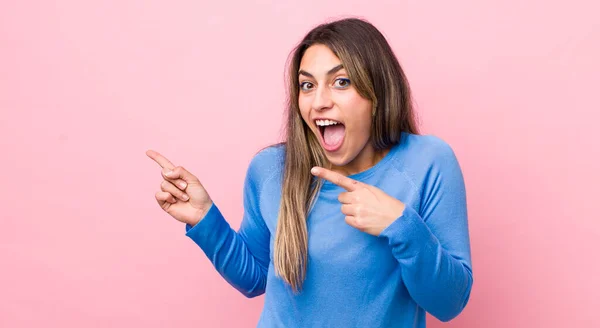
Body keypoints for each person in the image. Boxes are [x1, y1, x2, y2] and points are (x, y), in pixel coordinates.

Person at [147, 17, 473, 328]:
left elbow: (448, 303)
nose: (318, 102)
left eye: (341, 82)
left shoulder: (427, 163)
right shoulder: (271, 169)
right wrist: (204, 218)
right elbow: (255, 278)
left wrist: (401, 225)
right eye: (307, 85)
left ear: (379, 92)